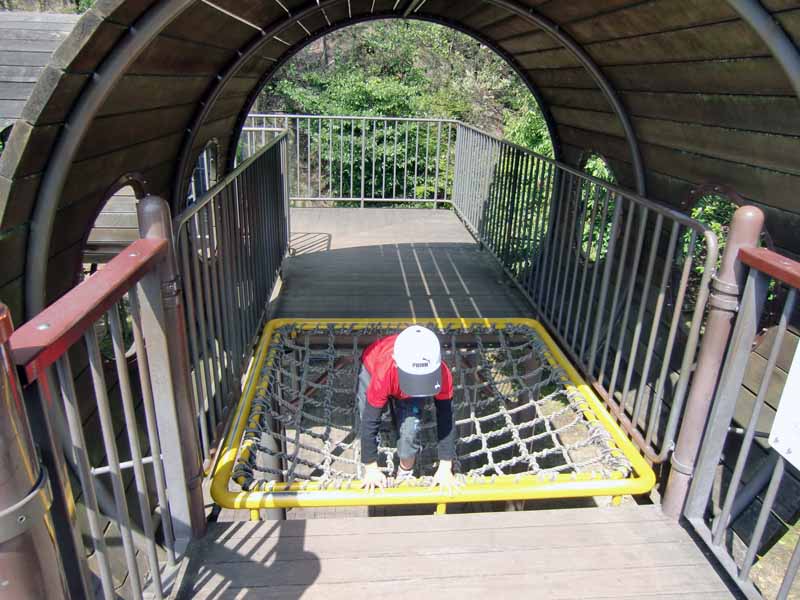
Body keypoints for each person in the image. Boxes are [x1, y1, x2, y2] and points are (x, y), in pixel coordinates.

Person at [356, 325, 459, 494]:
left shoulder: (441, 374)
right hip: (373, 366)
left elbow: (446, 417)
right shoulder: (384, 373)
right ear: (397, 363)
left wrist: (445, 466)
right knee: (367, 412)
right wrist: (371, 468)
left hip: (406, 382)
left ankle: (404, 473)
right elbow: (369, 420)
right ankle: (377, 450)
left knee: (410, 430)